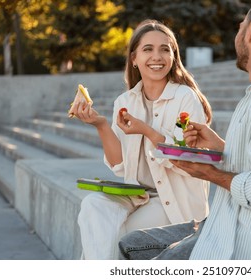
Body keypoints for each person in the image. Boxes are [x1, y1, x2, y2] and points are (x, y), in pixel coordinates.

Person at [118, 0, 251, 260]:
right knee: (131, 243)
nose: (237, 34)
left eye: (240, 27)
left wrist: (211, 174)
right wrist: (221, 147)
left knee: (145, 257)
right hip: (225, 222)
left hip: (250, 243)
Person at [72, 19, 212, 259]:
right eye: (148, 49)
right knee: (92, 206)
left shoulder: (185, 99)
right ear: (134, 59)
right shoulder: (125, 102)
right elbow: (120, 166)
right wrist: (101, 125)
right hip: (137, 195)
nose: (156, 56)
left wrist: (147, 130)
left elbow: (186, 161)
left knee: (112, 238)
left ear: (173, 57)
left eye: (164, 49)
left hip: (173, 203)